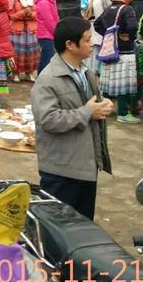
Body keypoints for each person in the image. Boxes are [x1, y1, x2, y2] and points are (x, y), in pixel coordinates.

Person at [31, 17, 113, 220]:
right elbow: (48, 119)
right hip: (61, 171)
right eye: (87, 40)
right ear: (70, 44)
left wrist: (103, 105)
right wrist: (87, 112)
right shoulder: (48, 79)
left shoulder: (86, 73)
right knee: (59, 230)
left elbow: (90, 104)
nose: (92, 44)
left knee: (82, 228)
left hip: (86, 165)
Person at [95, 0, 140, 124]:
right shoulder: (127, 9)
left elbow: (97, 24)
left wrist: (108, 35)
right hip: (124, 51)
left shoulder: (109, 8)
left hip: (109, 50)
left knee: (109, 81)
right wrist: (128, 36)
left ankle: (106, 108)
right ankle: (123, 113)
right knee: (123, 83)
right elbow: (133, 26)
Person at [7, 0, 39, 82]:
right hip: (16, 30)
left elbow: (40, 14)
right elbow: (10, 15)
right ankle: (15, 73)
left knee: (31, 52)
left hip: (31, 30)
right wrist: (23, 13)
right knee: (17, 52)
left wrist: (31, 14)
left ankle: (30, 73)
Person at [88, 0, 119, 72]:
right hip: (99, 31)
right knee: (96, 54)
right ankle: (92, 74)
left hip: (107, 30)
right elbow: (99, 17)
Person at [35, 0, 60, 73]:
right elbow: (49, 21)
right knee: (46, 60)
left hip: (49, 33)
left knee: (46, 59)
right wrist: (56, 32)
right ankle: (42, 79)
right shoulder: (44, 2)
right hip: (45, 34)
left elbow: (55, 17)